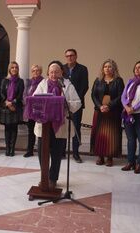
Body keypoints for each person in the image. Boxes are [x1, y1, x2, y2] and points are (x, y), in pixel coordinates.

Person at [33, 62, 81, 190]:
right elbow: (34, 99)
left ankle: (53, 179)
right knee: (42, 154)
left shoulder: (67, 85)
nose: (54, 74)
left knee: (56, 154)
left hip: (60, 125)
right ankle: (44, 177)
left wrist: (65, 104)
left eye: (56, 71)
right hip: (44, 125)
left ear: (61, 73)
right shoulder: (42, 84)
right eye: (51, 72)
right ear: (48, 73)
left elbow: (77, 102)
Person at [91, 59, 124, 167]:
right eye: (105, 66)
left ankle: (110, 157)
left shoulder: (118, 81)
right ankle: (100, 156)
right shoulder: (98, 80)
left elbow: (121, 96)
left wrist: (109, 106)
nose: (107, 68)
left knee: (112, 134)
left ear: (114, 68)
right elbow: (93, 95)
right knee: (99, 134)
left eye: (110, 66)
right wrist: (100, 106)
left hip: (113, 111)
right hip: (100, 111)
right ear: (102, 68)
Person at [121, 61, 140, 173]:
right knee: (130, 139)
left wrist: (134, 107)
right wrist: (127, 107)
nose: (137, 69)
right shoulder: (131, 81)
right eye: (136, 67)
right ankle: (130, 162)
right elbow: (123, 96)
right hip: (128, 114)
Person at [63, 49, 89, 163]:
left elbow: (84, 86)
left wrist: (74, 100)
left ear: (76, 56)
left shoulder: (82, 69)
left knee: (76, 128)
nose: (69, 57)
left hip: (76, 104)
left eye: (71, 55)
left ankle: (75, 153)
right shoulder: (62, 68)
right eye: (67, 56)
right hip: (62, 104)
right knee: (62, 127)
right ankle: (61, 152)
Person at [0, 61, 24, 156]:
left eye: (16, 67)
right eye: (12, 67)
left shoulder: (20, 81)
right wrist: (7, 103)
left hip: (15, 107)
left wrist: (12, 103)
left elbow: (20, 95)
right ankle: (7, 149)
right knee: (7, 128)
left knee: (14, 128)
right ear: (9, 69)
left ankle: (12, 149)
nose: (14, 69)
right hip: (6, 107)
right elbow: (1, 93)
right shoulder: (4, 80)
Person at [23, 64, 44, 157]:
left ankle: (42, 150)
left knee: (40, 131)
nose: (35, 72)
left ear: (41, 71)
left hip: (39, 110)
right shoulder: (29, 82)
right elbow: (24, 94)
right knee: (31, 131)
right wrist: (26, 101)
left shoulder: (44, 82)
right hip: (30, 109)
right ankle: (29, 150)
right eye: (33, 71)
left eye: (37, 70)